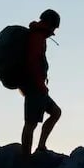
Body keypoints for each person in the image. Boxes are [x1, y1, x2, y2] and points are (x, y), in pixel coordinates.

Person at [21, 9, 62, 156]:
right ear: (50, 24)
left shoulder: (39, 35)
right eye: (54, 27)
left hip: (37, 87)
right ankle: (26, 159)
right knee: (30, 124)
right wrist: (39, 85)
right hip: (35, 87)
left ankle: (41, 147)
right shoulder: (37, 37)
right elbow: (32, 63)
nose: (54, 31)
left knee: (56, 112)